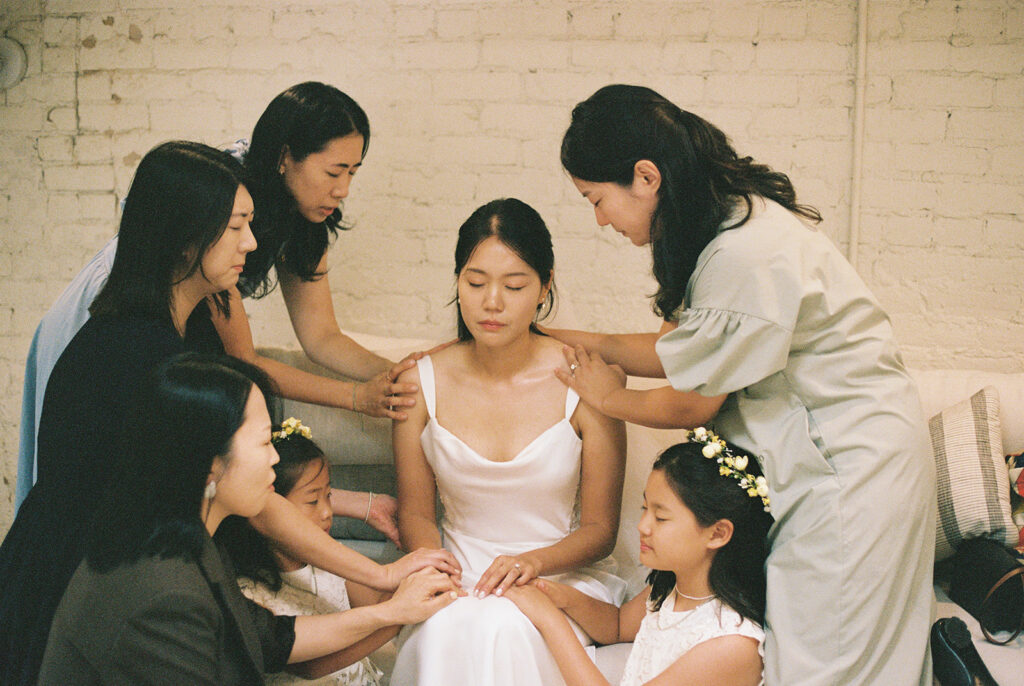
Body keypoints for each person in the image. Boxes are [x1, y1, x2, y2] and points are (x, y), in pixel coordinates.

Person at [0, 141, 456, 686]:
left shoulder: (189, 323)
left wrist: (387, 594)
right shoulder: (138, 360)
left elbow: (274, 635)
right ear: (187, 235)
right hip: (76, 568)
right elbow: (257, 501)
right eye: (237, 225)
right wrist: (381, 575)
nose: (253, 242)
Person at [549, 84, 936, 685]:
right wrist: (558, 337)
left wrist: (608, 396)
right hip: (826, 463)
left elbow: (692, 399)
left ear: (645, 177)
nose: (599, 218)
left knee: (825, 661)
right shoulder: (714, 225)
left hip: (850, 472)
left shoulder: (742, 253)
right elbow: (684, 353)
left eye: (596, 199)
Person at [15, 83, 416, 542]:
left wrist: (393, 376)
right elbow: (245, 364)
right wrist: (357, 398)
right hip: (123, 304)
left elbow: (323, 337)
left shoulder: (298, 222)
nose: (343, 189)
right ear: (286, 156)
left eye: (353, 173)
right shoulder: (217, 222)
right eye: (334, 171)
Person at [39, 353, 458, 685]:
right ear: (209, 466)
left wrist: (391, 611)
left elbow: (271, 639)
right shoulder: (164, 597)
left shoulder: (185, 539)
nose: (275, 459)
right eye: (263, 443)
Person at [390, 198, 628, 686]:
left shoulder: (586, 383)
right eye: (475, 283)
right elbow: (415, 512)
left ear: (544, 287)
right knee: (447, 624)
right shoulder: (419, 383)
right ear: (457, 282)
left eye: (514, 285)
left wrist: (532, 564)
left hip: (552, 577)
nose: (491, 302)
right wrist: (437, 568)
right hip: (457, 577)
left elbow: (601, 529)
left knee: (503, 624)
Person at [506, 432, 772, 686]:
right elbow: (618, 625)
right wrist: (558, 595)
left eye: (661, 517)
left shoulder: (731, 643)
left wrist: (550, 620)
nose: (643, 526)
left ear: (718, 533)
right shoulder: (672, 588)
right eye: (645, 508)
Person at [219, 417, 399, 685]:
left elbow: (375, 597)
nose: (327, 512)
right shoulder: (250, 591)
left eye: (328, 495)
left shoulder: (330, 563)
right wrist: (400, 614)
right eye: (312, 500)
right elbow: (311, 667)